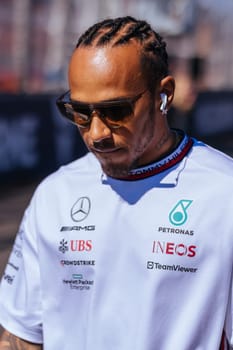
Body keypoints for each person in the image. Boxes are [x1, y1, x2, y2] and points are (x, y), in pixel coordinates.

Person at [0, 16, 232, 350]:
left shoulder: (225, 195)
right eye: (79, 112)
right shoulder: (54, 195)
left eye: (116, 111)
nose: (96, 133)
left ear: (163, 95)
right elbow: (21, 335)